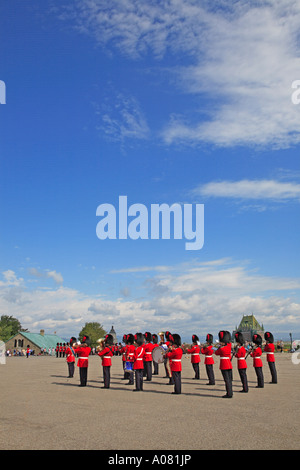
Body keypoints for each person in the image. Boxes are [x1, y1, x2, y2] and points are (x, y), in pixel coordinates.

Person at [215, 331, 233, 398]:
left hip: (224, 365)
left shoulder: (222, 348)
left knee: (227, 380)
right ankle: (230, 392)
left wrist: (219, 346)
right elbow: (229, 343)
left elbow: (216, 353)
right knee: (229, 380)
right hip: (229, 364)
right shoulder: (228, 347)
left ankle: (229, 394)